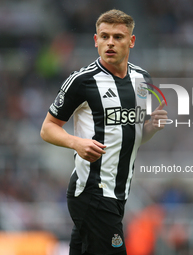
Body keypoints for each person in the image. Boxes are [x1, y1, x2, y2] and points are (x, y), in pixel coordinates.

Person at [40, 9, 168, 255]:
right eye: (105, 36)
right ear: (95, 40)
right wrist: (76, 143)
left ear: (131, 41)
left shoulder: (142, 79)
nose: (110, 42)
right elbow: (47, 128)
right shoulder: (82, 81)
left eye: (118, 37)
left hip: (119, 193)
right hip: (92, 192)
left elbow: (134, 134)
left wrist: (151, 128)